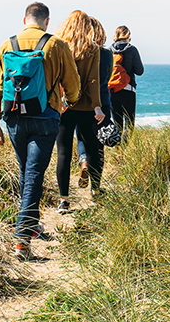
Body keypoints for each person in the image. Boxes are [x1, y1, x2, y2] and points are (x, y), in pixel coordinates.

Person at [0, 2, 80, 260]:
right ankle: (21, 239)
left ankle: (32, 225)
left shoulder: (7, 45)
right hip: (46, 117)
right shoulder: (57, 45)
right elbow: (72, 85)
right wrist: (69, 102)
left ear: (24, 20)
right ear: (47, 22)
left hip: (14, 118)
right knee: (34, 175)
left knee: (26, 171)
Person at [54, 11, 104, 213]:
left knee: (63, 152)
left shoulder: (57, 45)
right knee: (93, 148)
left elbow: (55, 76)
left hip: (63, 107)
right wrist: (97, 106)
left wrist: (58, 100)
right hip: (85, 106)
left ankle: (64, 200)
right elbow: (93, 80)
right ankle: (96, 192)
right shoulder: (93, 48)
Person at [75, 16, 113, 195]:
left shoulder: (78, 52)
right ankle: (96, 189)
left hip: (82, 103)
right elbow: (108, 75)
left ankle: (83, 162)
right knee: (99, 144)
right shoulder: (106, 54)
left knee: (82, 138)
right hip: (103, 103)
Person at [109, 25, 144, 141]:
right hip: (128, 90)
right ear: (128, 36)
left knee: (117, 124)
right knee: (129, 123)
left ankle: (118, 150)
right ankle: (125, 148)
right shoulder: (132, 49)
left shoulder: (110, 50)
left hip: (112, 90)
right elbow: (140, 71)